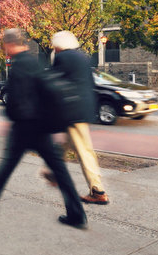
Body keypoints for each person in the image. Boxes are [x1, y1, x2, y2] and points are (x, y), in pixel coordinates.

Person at [0, 28, 87, 229]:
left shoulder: (19, 65)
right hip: (41, 125)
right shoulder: (34, 61)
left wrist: (12, 117)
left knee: (7, 166)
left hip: (25, 126)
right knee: (59, 170)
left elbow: (18, 99)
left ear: (8, 44)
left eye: (5, 46)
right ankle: (76, 213)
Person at [48, 30, 109, 205]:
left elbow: (54, 82)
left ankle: (98, 191)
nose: (54, 48)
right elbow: (90, 84)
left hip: (72, 111)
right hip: (83, 110)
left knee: (84, 150)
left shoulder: (62, 58)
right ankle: (53, 171)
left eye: (55, 45)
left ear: (59, 45)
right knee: (66, 143)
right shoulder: (83, 57)